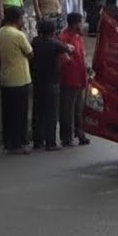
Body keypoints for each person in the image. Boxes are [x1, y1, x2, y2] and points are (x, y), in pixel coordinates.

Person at [0, 6, 33, 155]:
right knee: (20, 114)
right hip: (20, 78)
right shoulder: (18, 35)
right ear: (18, 19)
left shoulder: (1, 32)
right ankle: (18, 143)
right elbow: (30, 53)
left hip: (5, 78)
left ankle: (8, 142)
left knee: (8, 113)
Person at [30, 18, 70, 151]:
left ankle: (37, 141)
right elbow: (68, 49)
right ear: (52, 31)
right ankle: (50, 142)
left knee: (38, 113)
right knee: (51, 114)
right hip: (52, 82)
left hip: (37, 81)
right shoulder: (55, 44)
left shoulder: (35, 42)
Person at [59, 12, 90, 147]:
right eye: (80, 23)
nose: (82, 25)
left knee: (78, 108)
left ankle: (80, 133)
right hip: (69, 78)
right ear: (75, 23)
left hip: (80, 77)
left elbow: (81, 55)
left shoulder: (78, 37)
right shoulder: (64, 37)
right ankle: (66, 136)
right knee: (67, 109)